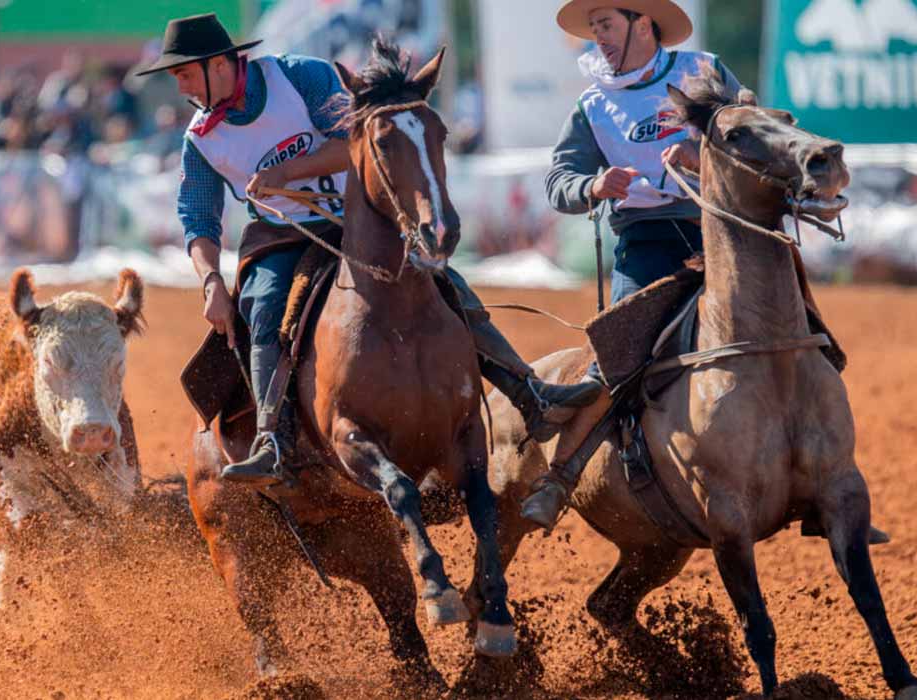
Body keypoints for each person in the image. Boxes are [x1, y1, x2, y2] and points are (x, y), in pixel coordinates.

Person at [141, 13, 598, 486]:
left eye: (184, 73)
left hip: (360, 216)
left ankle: (527, 392)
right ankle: (271, 440)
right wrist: (211, 282)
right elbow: (197, 221)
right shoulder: (199, 138)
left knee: (440, 280)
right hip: (280, 236)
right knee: (261, 310)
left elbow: (362, 143)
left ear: (220, 64)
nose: (180, 87)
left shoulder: (299, 77)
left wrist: (286, 172)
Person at [519, 0, 743, 528]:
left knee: (795, 316)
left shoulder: (703, 70)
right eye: (594, 27)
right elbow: (559, 181)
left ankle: (824, 468)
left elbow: (752, 131)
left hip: (723, 221)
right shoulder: (593, 104)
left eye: (606, 24)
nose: (597, 36)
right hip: (646, 237)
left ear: (644, 24)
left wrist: (701, 152)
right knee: (617, 354)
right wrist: (593, 185)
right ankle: (560, 476)